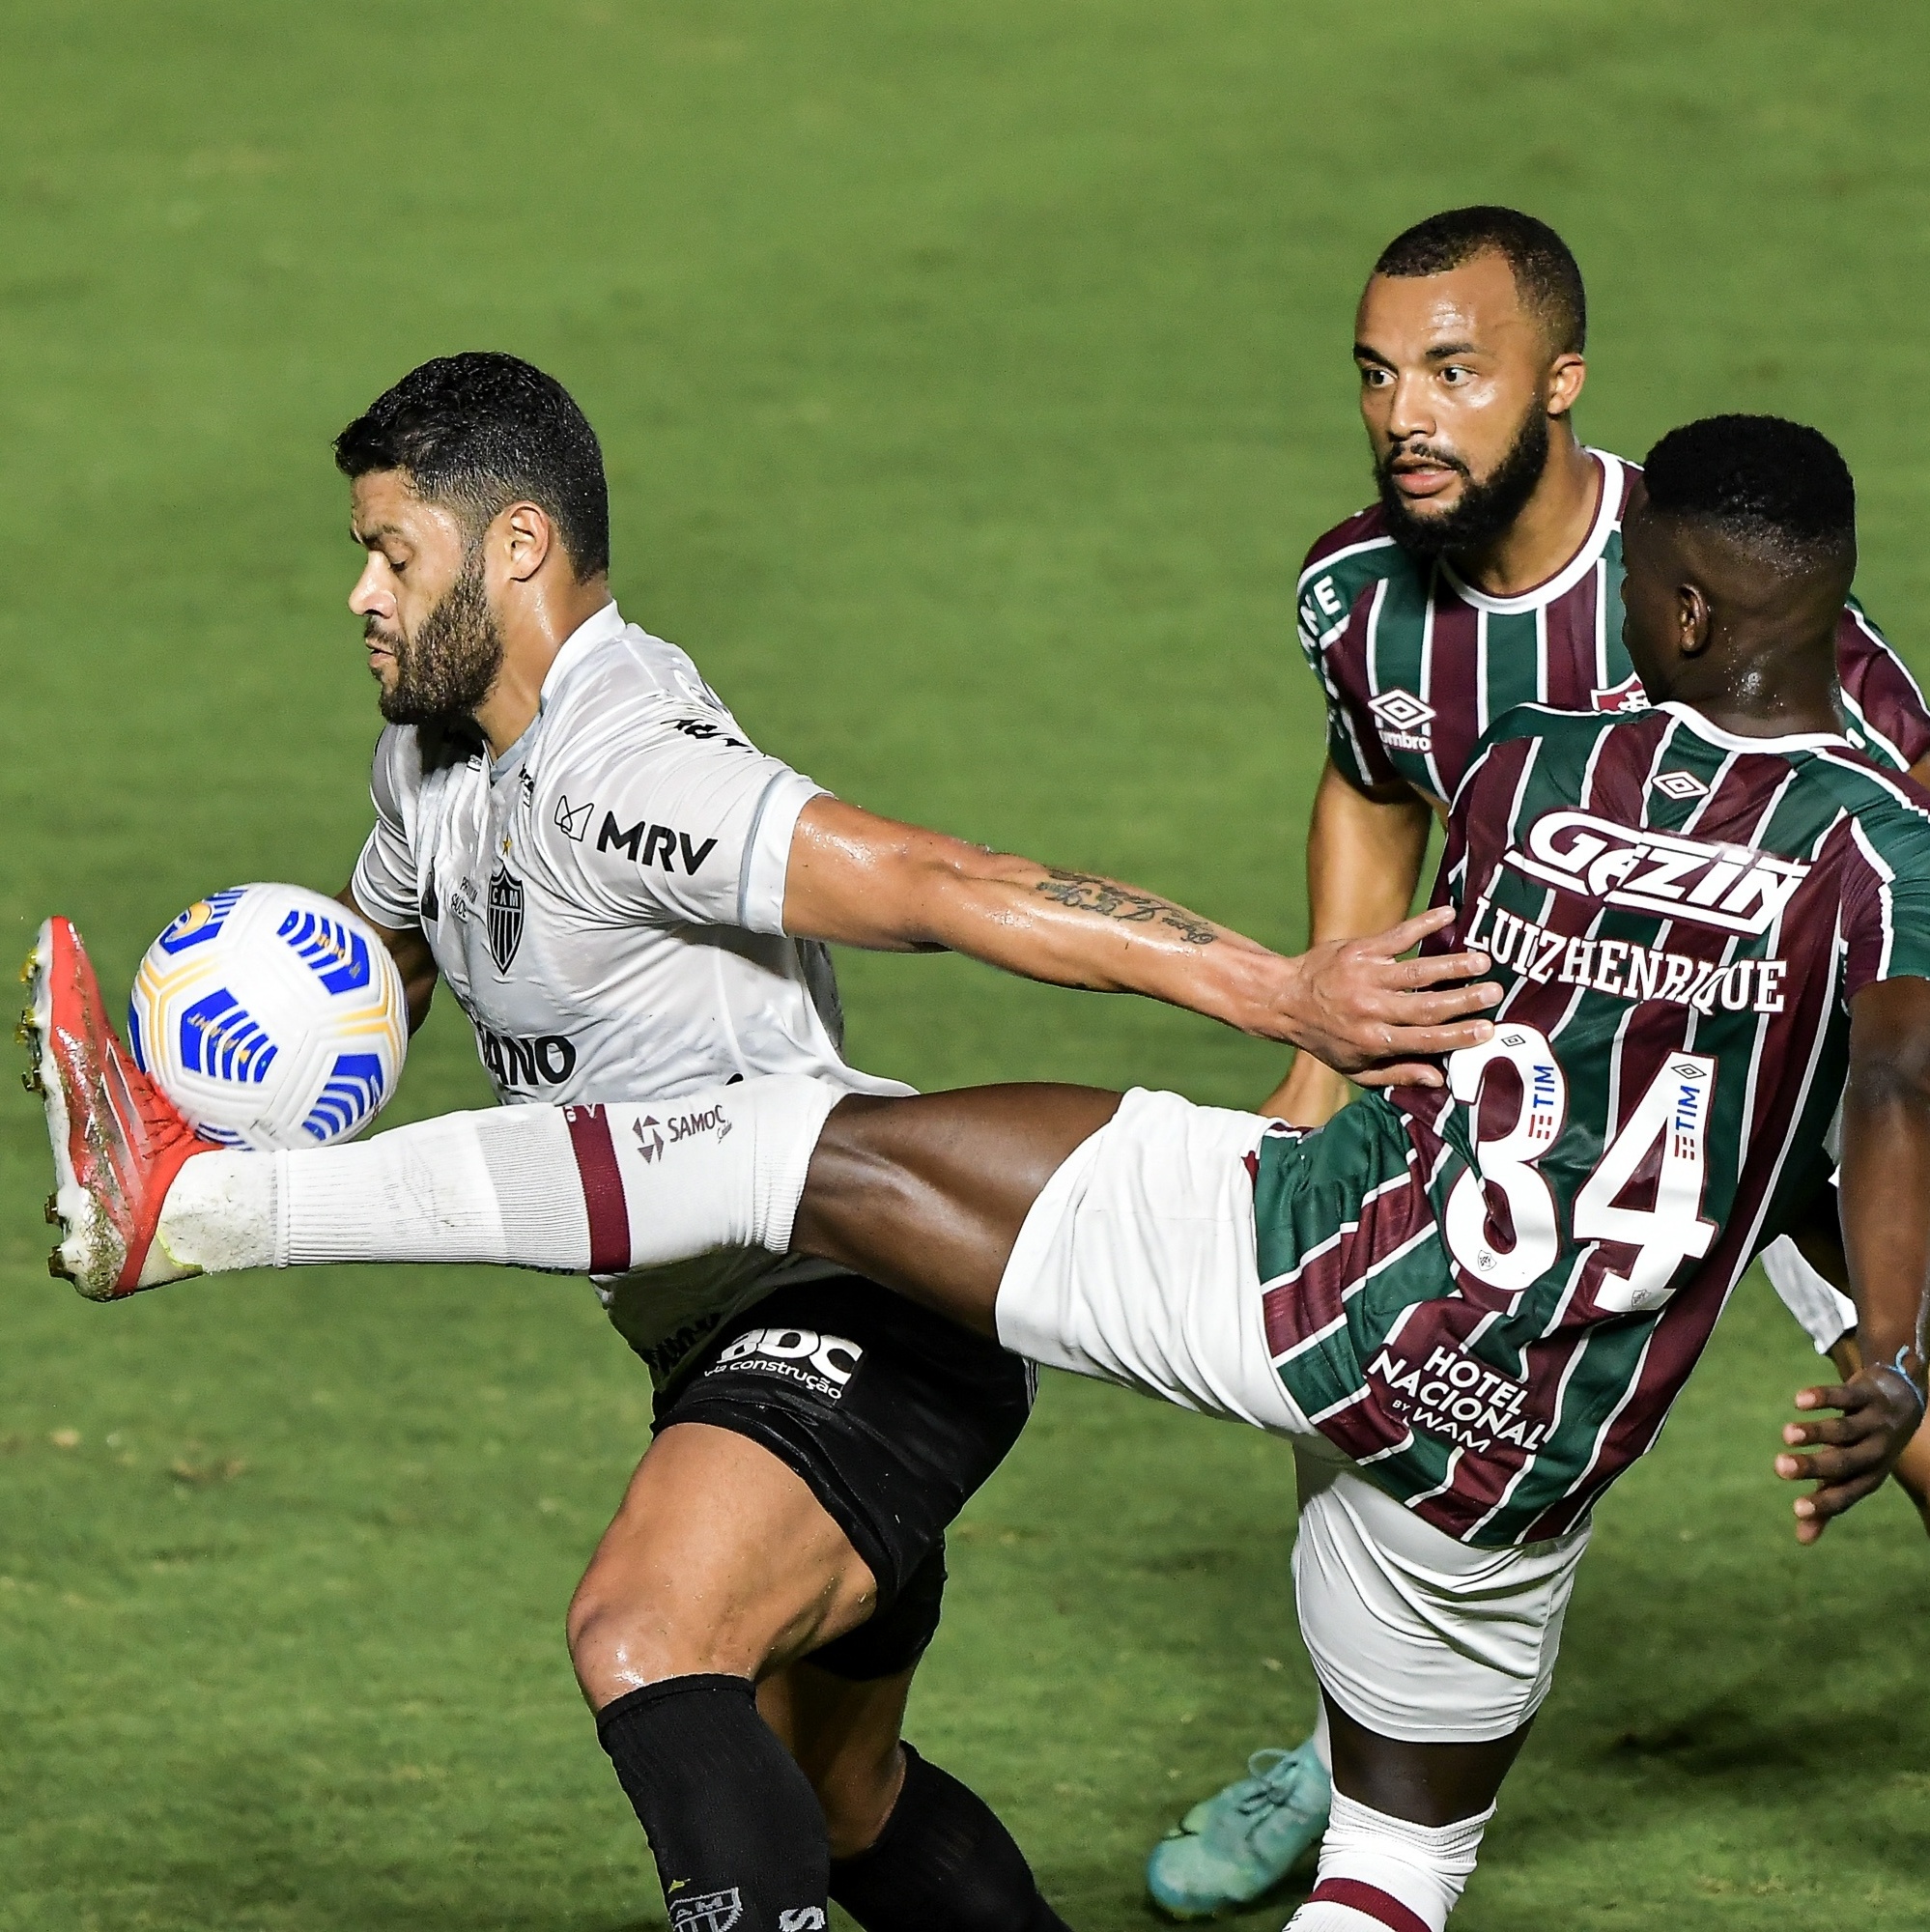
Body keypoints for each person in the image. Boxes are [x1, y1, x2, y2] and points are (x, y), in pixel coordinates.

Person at [30, 413, 1930, 1932]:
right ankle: (202, 1193)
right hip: (1510, 1461)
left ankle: (193, 1214)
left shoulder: (1535, 762)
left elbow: (959, 889)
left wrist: (1285, 989)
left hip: (1256, 1278)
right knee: (1323, 1853)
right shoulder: (1874, 840)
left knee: (681, 1500)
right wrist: (1892, 1348)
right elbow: (1881, 1092)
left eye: (393, 550)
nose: (360, 590)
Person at [1145, 205, 1930, 1918]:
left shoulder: (1703, 586)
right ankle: (1361, 1742)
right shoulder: (1358, 594)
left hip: (1786, 1098)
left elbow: (1901, 883)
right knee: (1367, 1388)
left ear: (1558, 382)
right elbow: (1371, 777)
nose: (1406, 415)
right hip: (1521, 1115)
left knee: (1923, 1416)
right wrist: (1319, 1034)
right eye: (1376, 375)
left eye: (1453, 372)